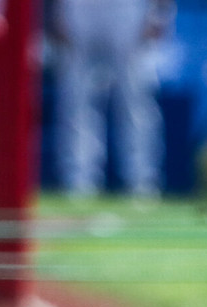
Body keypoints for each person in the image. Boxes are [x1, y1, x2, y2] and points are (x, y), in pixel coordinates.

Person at [55, 0, 172, 198]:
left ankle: (142, 180)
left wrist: (159, 13)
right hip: (80, 6)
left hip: (128, 7)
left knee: (135, 96)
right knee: (76, 97)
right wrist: (57, 10)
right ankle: (79, 180)